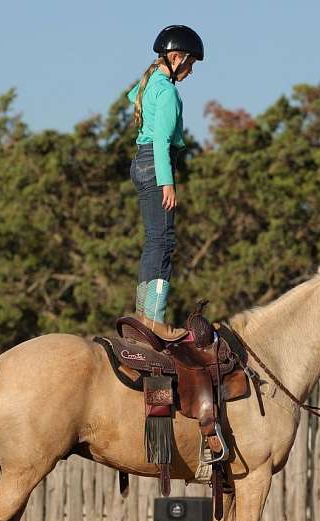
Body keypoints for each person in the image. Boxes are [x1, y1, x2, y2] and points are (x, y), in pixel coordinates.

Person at [127, 25, 204, 340]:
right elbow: (161, 140)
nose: (190, 71)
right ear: (176, 57)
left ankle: (143, 315)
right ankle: (153, 321)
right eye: (190, 64)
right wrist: (167, 183)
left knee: (153, 241)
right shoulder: (168, 91)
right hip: (157, 164)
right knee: (163, 242)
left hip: (140, 163)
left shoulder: (150, 85)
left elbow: (132, 95)